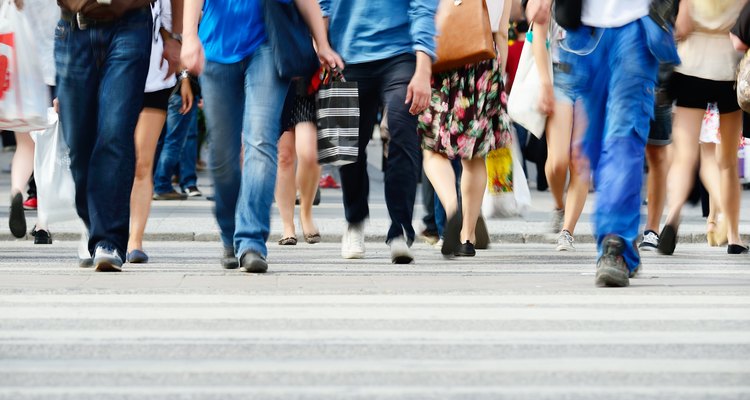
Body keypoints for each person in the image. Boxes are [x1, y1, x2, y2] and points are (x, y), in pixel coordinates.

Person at [181, 0, 343, 273]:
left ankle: (251, 240)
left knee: (261, 141)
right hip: (216, 48)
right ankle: (230, 233)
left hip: (267, 44)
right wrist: (188, 36)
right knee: (223, 156)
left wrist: (322, 43)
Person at [527, 0, 679, 286]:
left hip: (635, 25)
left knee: (623, 138)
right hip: (582, 33)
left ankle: (615, 245)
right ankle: (623, 243)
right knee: (593, 147)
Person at [320, 0, 437, 264]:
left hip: (401, 55)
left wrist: (423, 69)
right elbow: (322, 4)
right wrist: (322, 45)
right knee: (346, 146)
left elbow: (424, 7)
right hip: (345, 53)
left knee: (402, 132)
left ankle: (400, 230)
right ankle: (354, 220)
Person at [56, 0, 155, 271]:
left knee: (115, 131)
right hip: (73, 28)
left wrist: (175, 36)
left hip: (130, 23)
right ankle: (92, 223)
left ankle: (107, 239)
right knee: (78, 144)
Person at [419, 0, 512, 258]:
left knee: (432, 148)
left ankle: (452, 209)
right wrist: (497, 79)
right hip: (483, 62)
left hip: (443, 61)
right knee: (474, 155)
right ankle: (467, 237)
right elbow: (501, 33)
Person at [659, 0, 748, 256]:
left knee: (684, 156)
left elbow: (682, 27)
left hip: (691, 67)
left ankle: (673, 214)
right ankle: (733, 235)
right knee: (728, 162)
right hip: (729, 70)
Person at [126, 0, 193, 264]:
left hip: (156, 78)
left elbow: (173, 30)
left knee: (143, 162)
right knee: (114, 157)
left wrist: (184, 75)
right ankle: (104, 233)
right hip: (112, 73)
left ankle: (135, 240)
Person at [531, 11, 589, 251]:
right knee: (557, 162)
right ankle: (558, 205)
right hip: (560, 77)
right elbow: (538, 34)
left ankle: (567, 231)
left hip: (592, 80)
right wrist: (545, 84)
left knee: (580, 161)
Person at [7, 0, 57, 245]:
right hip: (56, 70)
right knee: (50, 152)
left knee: (26, 146)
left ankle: (17, 190)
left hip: (22, 73)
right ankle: (42, 225)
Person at [274, 77, 322, 246]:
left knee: (310, 154)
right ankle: (288, 226)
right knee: (284, 156)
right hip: (280, 77)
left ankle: (306, 211)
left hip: (309, 80)